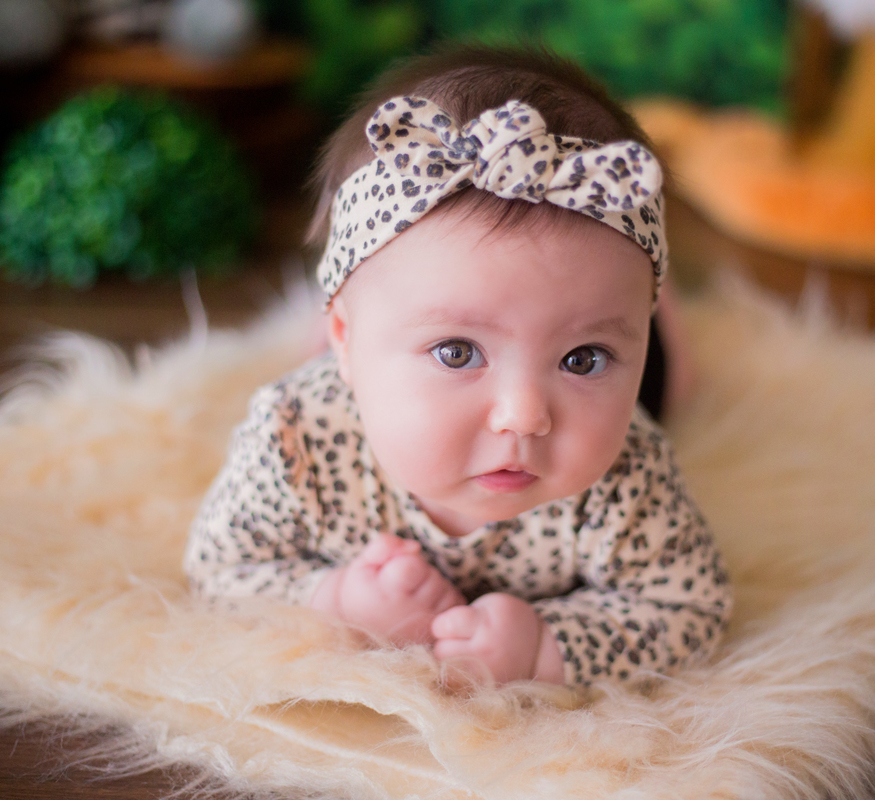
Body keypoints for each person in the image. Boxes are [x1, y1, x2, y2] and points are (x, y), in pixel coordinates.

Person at [184, 46, 731, 687]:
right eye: (457, 352)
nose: (524, 415)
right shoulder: (296, 436)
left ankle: (659, 312)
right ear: (345, 343)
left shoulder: (629, 473)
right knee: (373, 317)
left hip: (636, 349)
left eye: (583, 358)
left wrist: (544, 647)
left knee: (671, 380)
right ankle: (349, 320)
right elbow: (221, 568)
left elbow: (689, 608)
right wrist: (334, 599)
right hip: (352, 362)